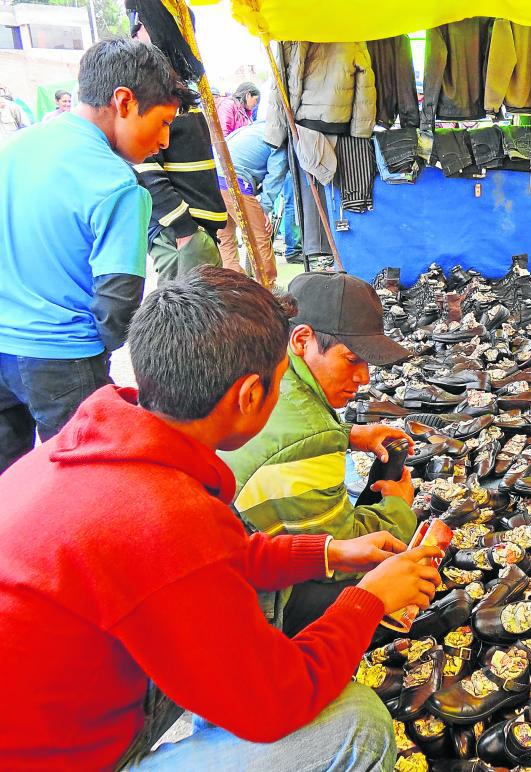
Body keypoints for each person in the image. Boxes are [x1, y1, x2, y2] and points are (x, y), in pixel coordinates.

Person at [0, 265, 441, 769]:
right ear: (250, 395)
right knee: (356, 724)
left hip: (76, 704)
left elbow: (217, 554)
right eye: (279, 384)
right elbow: (277, 704)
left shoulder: (100, 441)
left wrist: (329, 552)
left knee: (258, 596)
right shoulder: (161, 515)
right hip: (69, 759)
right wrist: (369, 599)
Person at [0, 38, 188, 474]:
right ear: (124, 101)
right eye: (162, 123)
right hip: (63, 361)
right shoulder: (117, 185)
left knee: (9, 485)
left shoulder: (13, 151)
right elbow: (114, 308)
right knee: (85, 481)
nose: (162, 141)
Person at [220, 271, 418, 635]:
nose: (365, 378)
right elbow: (346, 554)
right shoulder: (310, 436)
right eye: (352, 359)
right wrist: (399, 509)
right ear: (302, 339)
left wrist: (347, 434)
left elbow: (288, 436)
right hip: (247, 606)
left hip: (234, 555)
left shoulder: (268, 369)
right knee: (397, 574)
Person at [128, 4, 227, 282]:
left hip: (196, 231)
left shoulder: (174, 87)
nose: (135, 33)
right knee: (189, 319)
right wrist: (183, 229)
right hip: (180, 235)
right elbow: (145, 170)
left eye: (140, 25)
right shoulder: (144, 93)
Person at [217, 120, 288, 281]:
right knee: (259, 236)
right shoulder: (278, 137)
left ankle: (235, 288)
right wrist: (264, 208)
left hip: (213, 180)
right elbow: (275, 175)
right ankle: (268, 288)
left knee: (225, 239)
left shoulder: (255, 128)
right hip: (234, 182)